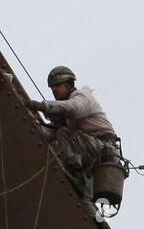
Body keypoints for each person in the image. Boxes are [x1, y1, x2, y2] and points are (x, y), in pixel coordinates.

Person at [26, 66, 121, 200]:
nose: (53, 89)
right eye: (52, 87)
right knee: (84, 198)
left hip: (102, 148)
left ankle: (76, 173)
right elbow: (47, 134)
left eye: (57, 85)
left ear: (69, 84)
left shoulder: (82, 97)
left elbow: (73, 108)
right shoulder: (68, 116)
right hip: (94, 155)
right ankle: (82, 185)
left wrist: (44, 106)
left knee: (63, 133)